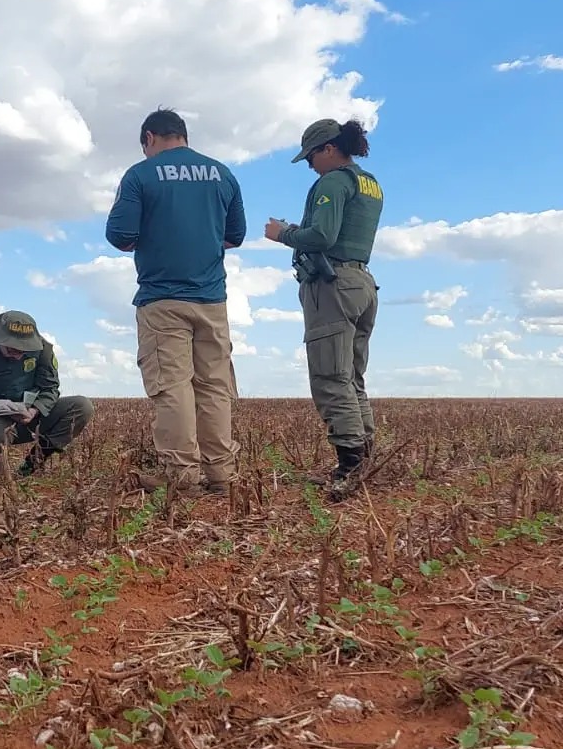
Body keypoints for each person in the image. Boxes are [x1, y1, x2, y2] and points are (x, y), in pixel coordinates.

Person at [105, 108, 246, 493]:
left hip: (162, 298)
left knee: (172, 386)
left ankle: (182, 476)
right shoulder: (222, 173)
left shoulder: (140, 175)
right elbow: (235, 235)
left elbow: (119, 235)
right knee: (214, 385)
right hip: (213, 299)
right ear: (182, 135)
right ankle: (221, 473)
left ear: (149, 138)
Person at [265, 118, 384, 493]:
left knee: (331, 377)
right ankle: (364, 456)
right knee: (352, 376)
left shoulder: (332, 182)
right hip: (363, 282)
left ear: (329, 149)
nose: (310, 166)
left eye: (311, 157)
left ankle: (349, 466)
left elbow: (322, 235)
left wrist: (282, 234)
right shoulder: (370, 183)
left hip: (333, 285)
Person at [0, 311, 95, 479]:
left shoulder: (43, 349)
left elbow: (50, 388)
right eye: (12, 350)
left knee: (82, 406)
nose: (18, 355)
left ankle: (32, 464)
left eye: (24, 351)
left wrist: (35, 410)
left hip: (26, 416)